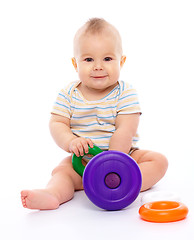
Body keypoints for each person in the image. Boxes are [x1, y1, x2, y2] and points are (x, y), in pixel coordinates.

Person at [21, 18, 168, 210]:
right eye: (89, 59)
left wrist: (113, 163)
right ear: (75, 64)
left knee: (158, 161)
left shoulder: (125, 92)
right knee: (62, 173)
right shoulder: (69, 94)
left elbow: (125, 129)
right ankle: (53, 194)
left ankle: (126, 184)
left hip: (123, 157)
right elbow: (57, 123)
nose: (98, 66)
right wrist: (71, 142)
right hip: (83, 160)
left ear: (121, 61)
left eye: (107, 59)